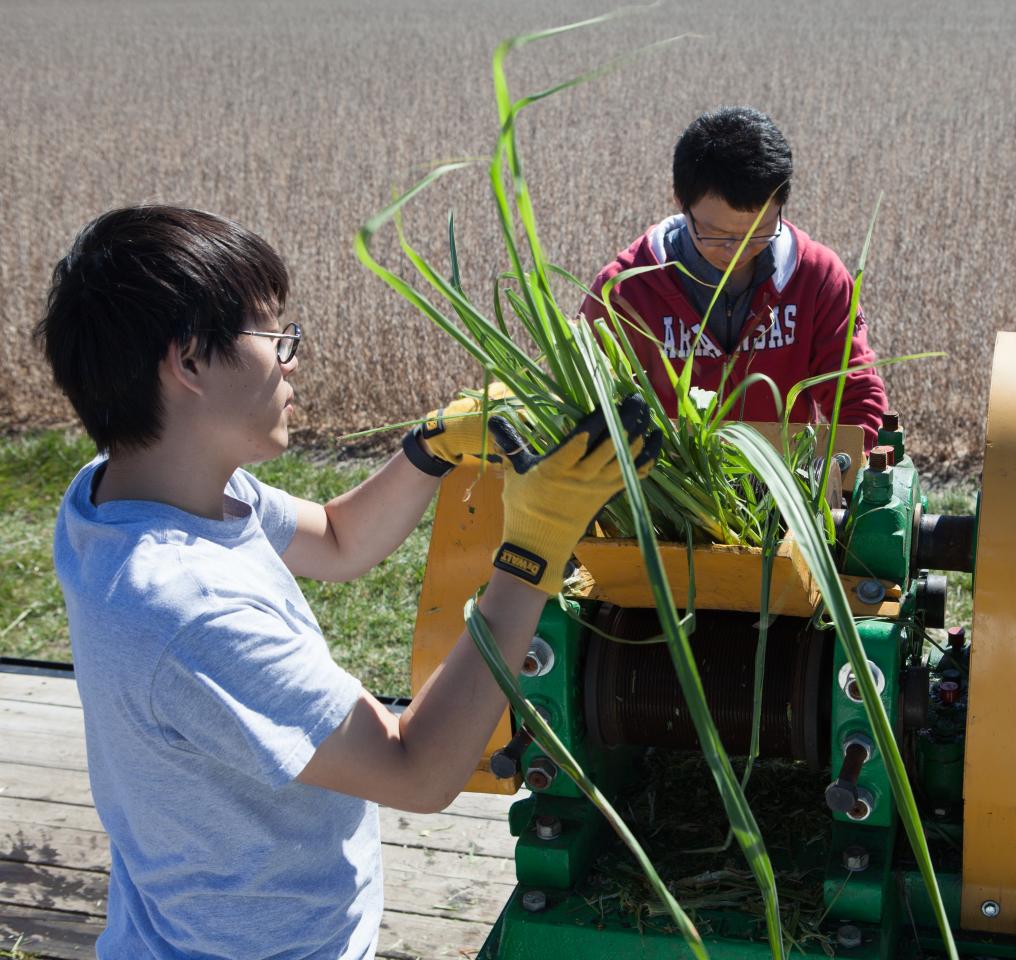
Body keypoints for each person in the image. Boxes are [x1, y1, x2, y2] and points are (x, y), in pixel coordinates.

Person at [36, 205, 657, 959]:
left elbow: (336, 539)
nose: (293, 360)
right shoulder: (184, 611)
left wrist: (432, 447)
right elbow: (417, 770)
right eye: (276, 337)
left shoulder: (127, 493)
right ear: (189, 362)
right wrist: (531, 555)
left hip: (192, 922)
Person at [580, 106, 890, 446]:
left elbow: (856, 397)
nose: (737, 251)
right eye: (717, 235)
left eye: (759, 232)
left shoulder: (816, 277)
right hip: (665, 488)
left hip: (784, 485)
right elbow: (587, 403)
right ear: (680, 200)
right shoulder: (625, 292)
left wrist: (843, 478)